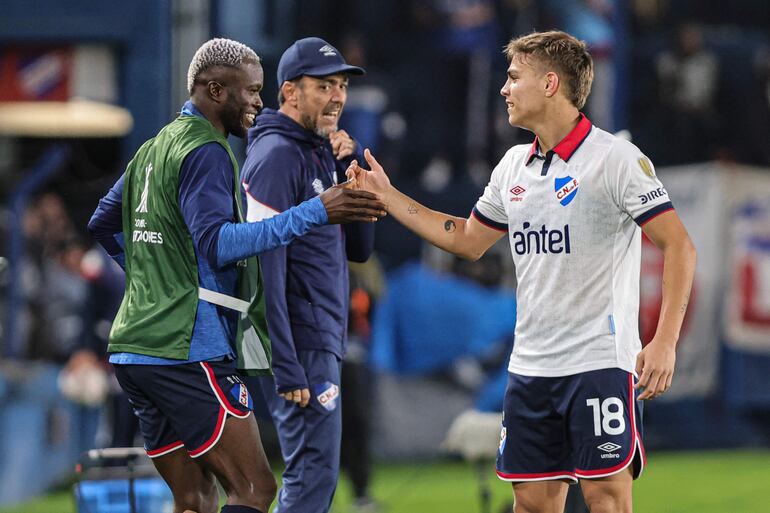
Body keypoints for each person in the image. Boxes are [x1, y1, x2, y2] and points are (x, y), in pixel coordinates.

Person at [347, 30, 696, 513]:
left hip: (599, 363)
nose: (504, 89)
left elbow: (678, 246)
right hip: (531, 368)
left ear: (550, 83)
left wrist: (664, 341)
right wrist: (388, 196)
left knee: (607, 500)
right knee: (530, 503)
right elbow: (466, 239)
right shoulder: (513, 165)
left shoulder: (615, 159)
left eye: (514, 77)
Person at [87, 38, 385, 513]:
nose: (257, 102)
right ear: (215, 90)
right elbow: (218, 243)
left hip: (132, 348)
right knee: (255, 489)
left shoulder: (153, 146)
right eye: (250, 91)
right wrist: (315, 211)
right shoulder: (207, 149)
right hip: (184, 345)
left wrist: (155, 279)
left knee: (195, 497)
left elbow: (103, 221)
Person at [240, 37, 371, 513]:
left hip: (320, 336)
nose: (337, 96)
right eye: (323, 85)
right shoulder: (277, 154)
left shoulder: (320, 152)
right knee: (310, 475)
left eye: (341, 85)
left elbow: (359, 249)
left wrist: (347, 172)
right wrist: (285, 360)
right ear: (290, 92)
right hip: (299, 339)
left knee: (314, 475)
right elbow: (261, 264)